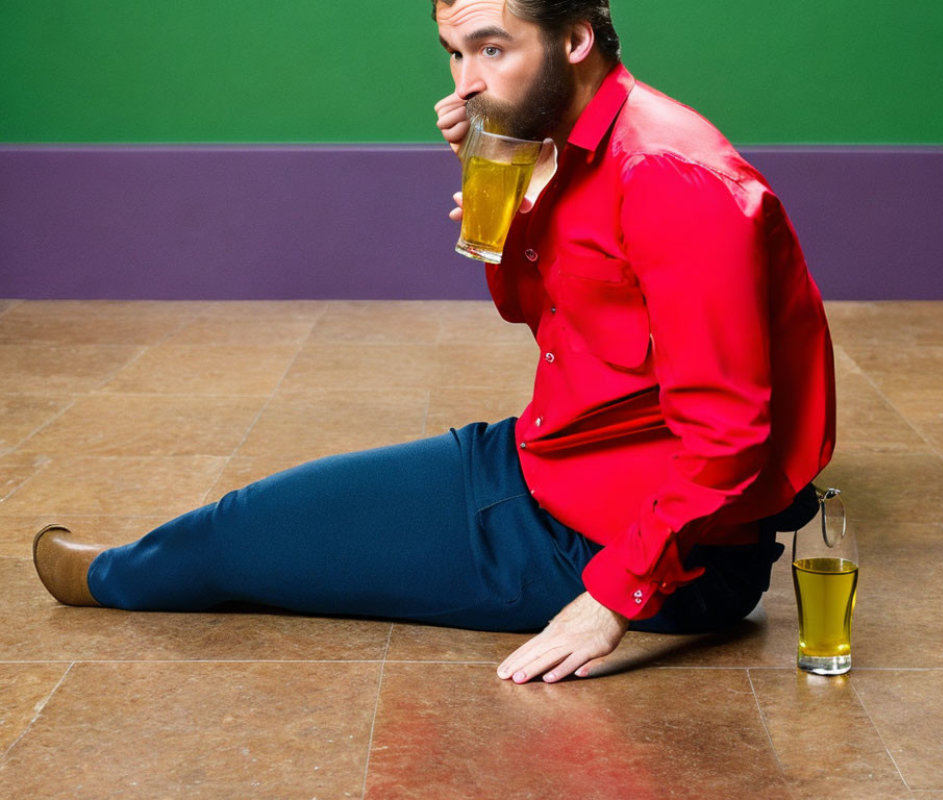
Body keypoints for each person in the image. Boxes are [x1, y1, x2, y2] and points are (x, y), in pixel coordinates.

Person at [33, 0, 835, 685]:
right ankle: (133, 563)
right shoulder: (561, 141)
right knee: (257, 518)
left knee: (255, 543)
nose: (466, 84)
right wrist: (499, 189)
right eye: (455, 53)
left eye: (492, 47)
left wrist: (608, 600)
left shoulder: (665, 174)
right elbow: (534, 313)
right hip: (552, 462)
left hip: (633, 548)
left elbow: (729, 434)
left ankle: (111, 576)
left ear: (577, 38)